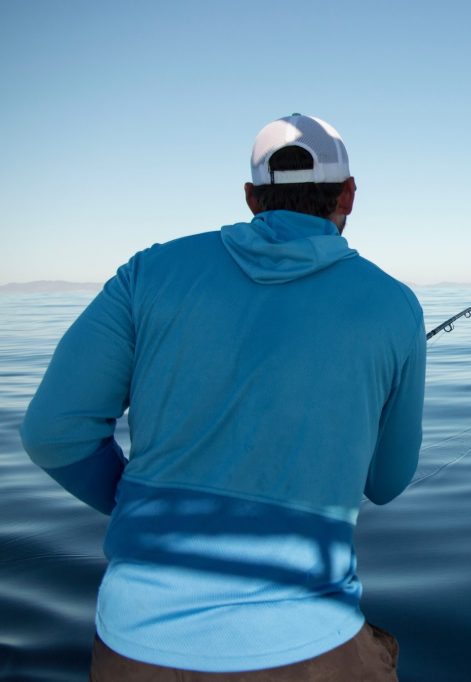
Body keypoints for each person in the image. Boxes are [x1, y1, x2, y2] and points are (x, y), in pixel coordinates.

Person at [20, 113, 426, 680]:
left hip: (135, 642)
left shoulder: (146, 273)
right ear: (350, 195)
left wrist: (142, 503)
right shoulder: (394, 306)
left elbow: (51, 434)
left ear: (251, 197)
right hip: (310, 644)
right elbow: (386, 483)